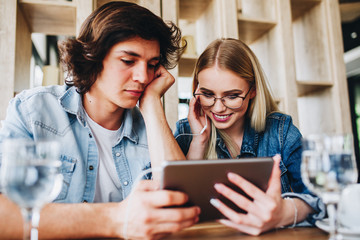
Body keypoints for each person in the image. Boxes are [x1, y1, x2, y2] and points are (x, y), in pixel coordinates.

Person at [0, 1, 200, 239]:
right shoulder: (34, 111)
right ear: (92, 57)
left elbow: (179, 209)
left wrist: (153, 105)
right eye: (128, 61)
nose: (143, 76)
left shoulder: (152, 128)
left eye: (152, 65)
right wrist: (115, 218)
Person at [174, 38, 325, 235]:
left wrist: (284, 212)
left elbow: (322, 198)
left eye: (232, 96)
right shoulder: (185, 133)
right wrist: (199, 141)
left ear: (252, 91)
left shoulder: (281, 131)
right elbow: (175, 209)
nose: (218, 108)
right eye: (208, 94)